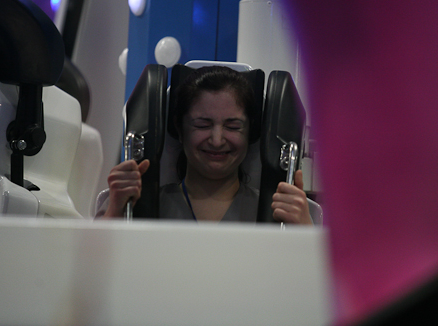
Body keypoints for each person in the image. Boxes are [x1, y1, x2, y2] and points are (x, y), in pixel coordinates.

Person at [96, 66, 313, 224]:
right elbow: (90, 265)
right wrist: (116, 208)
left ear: (250, 132)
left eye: (233, 126)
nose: (217, 140)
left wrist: (304, 230)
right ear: (180, 129)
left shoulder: (280, 210)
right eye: (202, 125)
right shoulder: (134, 204)